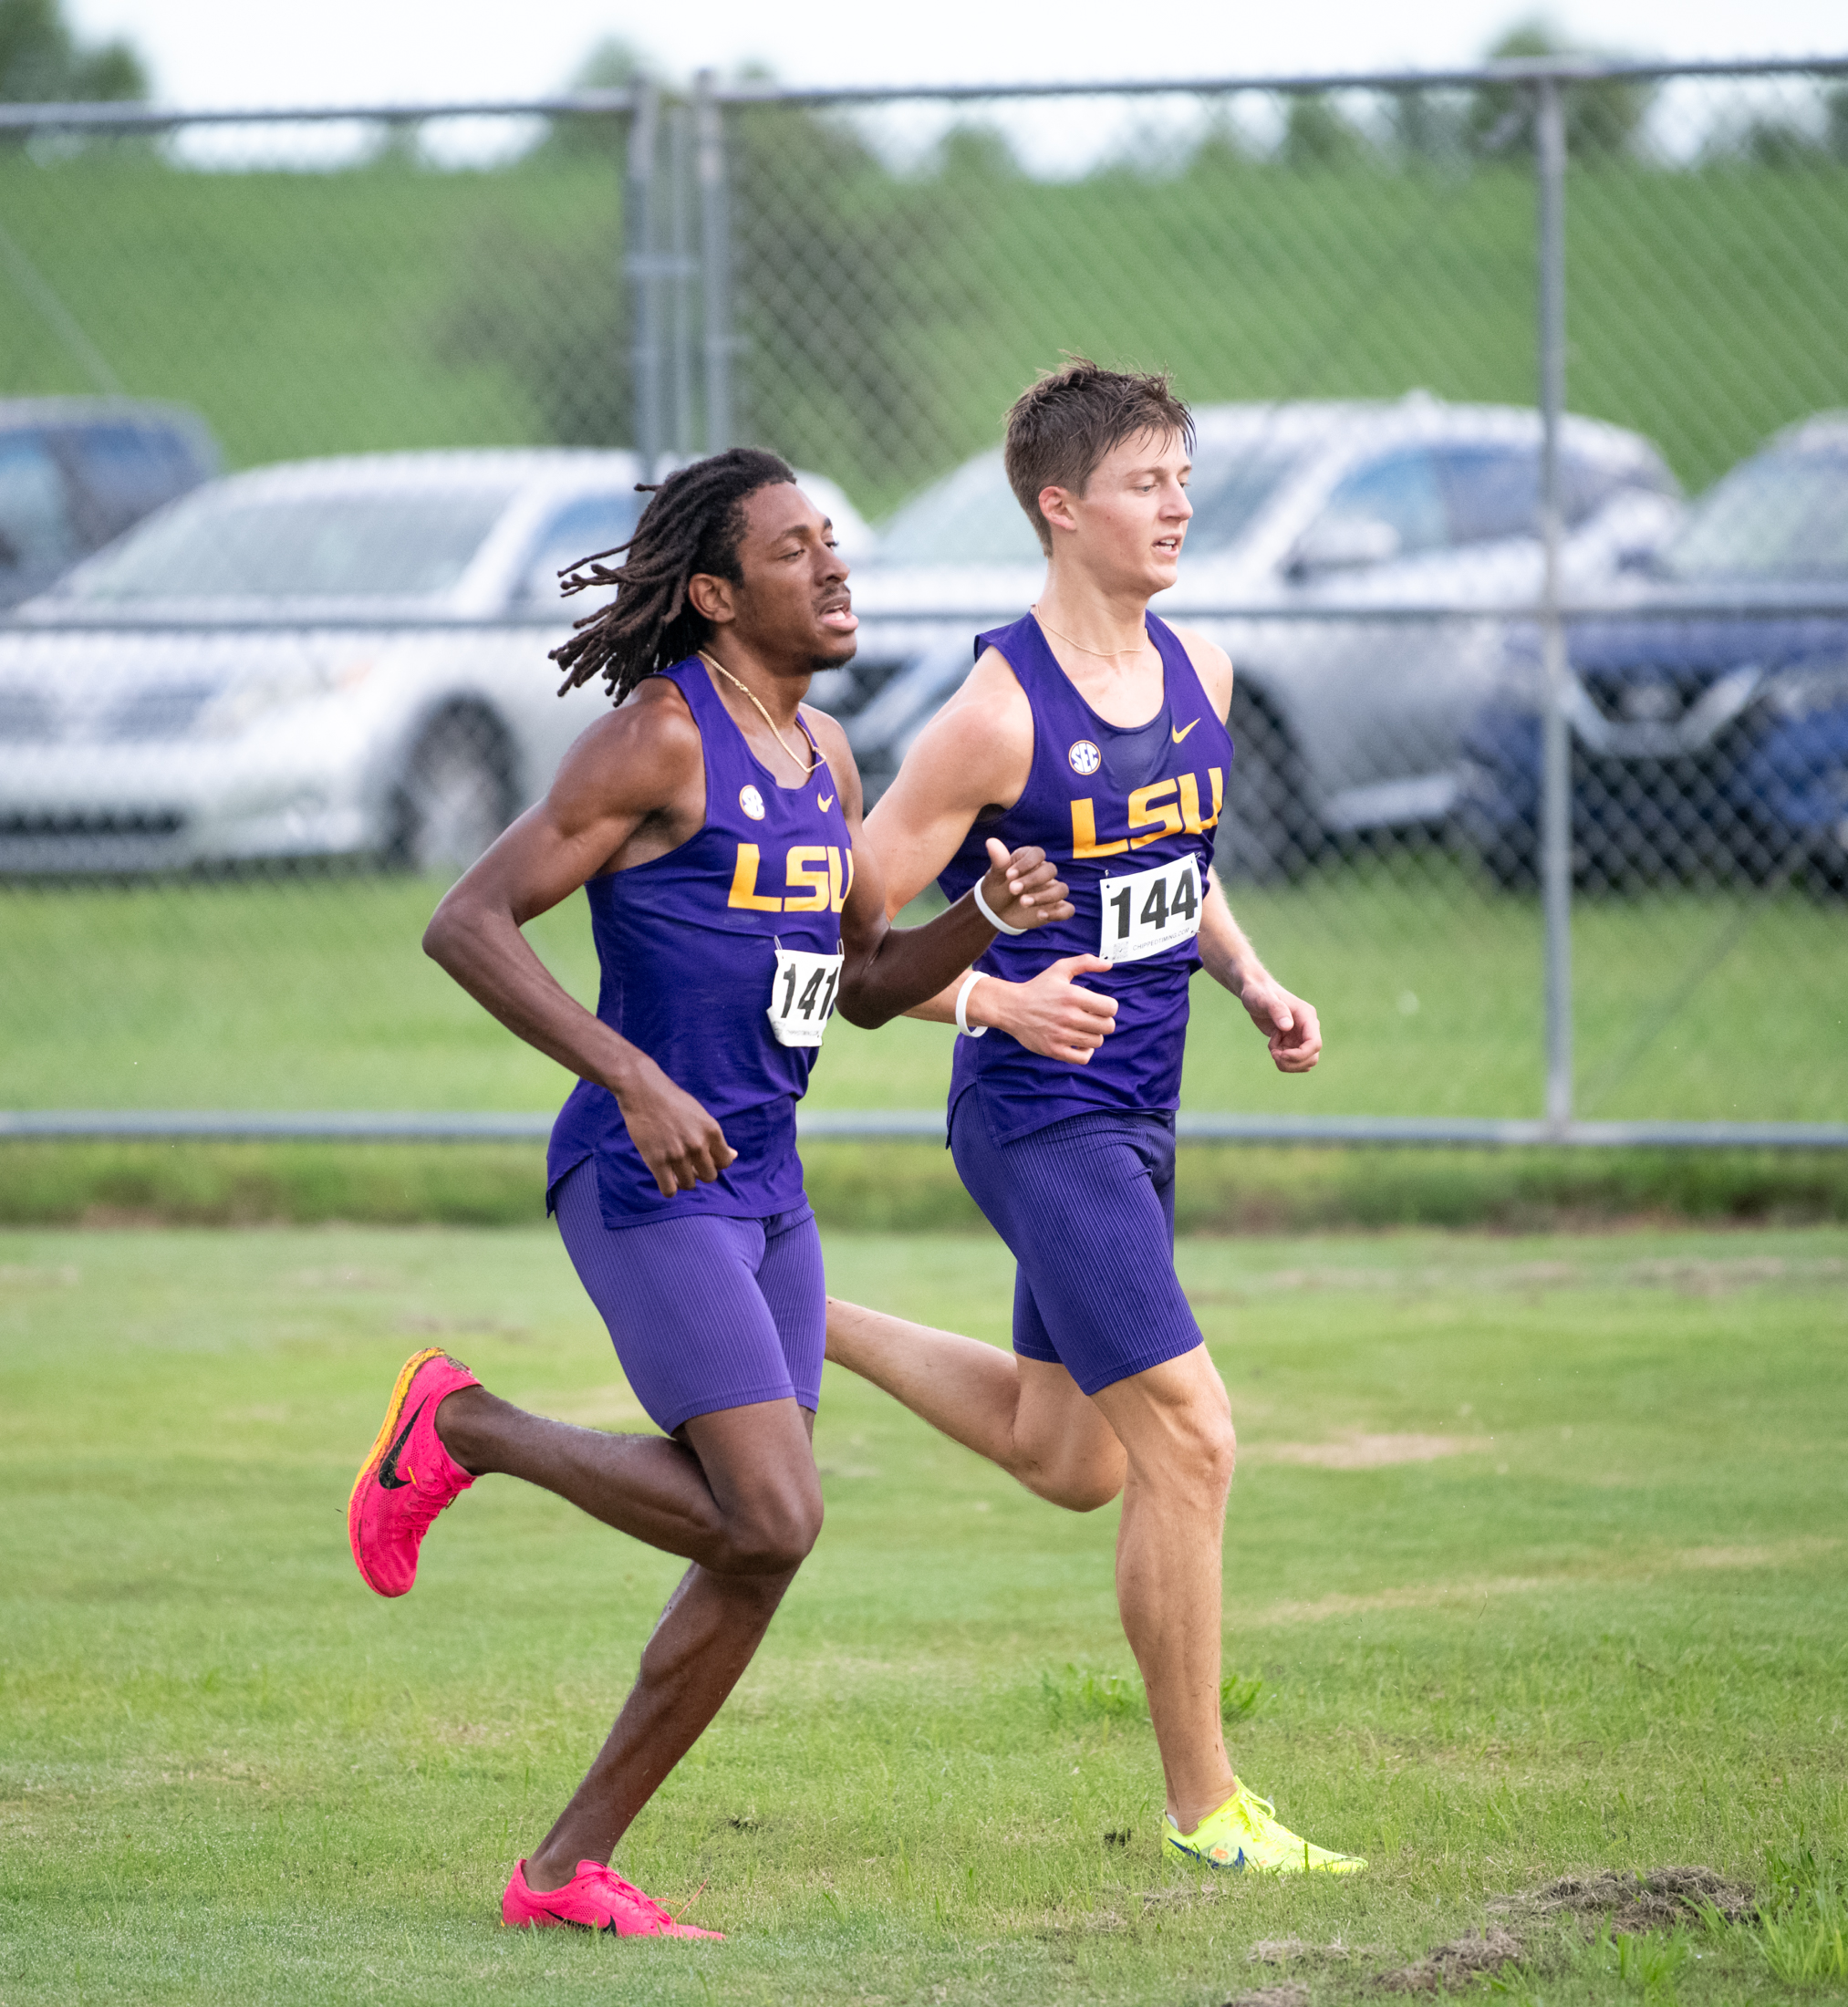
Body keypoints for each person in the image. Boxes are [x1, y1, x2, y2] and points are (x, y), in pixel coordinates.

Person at [345, 447, 1069, 1936]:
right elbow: (465, 923)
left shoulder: (827, 761)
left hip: (768, 1194)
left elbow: (864, 985)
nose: (835, 567)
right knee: (774, 1515)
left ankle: (559, 1874)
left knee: (757, 1546)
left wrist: (979, 924)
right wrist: (631, 1076)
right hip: (643, 1177)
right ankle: (460, 1423)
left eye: (834, 542)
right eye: (796, 550)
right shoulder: (657, 742)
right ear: (717, 593)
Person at [824, 363, 1364, 1875]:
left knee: (1074, 1459)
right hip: (1033, 1116)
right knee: (1190, 1436)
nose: (1178, 503)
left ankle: (786, 1304)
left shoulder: (1205, 671)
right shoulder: (991, 717)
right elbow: (843, 947)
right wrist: (990, 1000)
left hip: (1142, 1110)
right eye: (1145, 481)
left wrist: (1251, 978)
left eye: (1186, 475)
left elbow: (1171, 868)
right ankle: (1211, 1814)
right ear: (1060, 508)